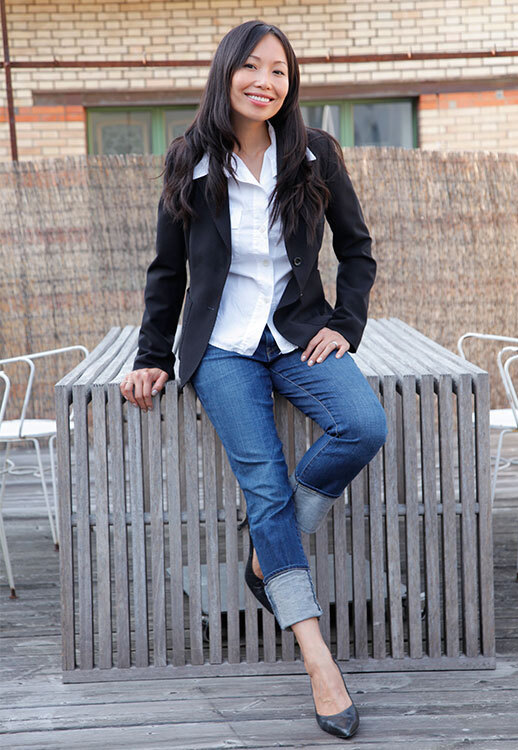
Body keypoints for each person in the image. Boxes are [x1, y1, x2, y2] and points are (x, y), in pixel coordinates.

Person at [120, 19, 387, 740]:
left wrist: (346, 323)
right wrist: (151, 355)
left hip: (298, 336)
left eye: (278, 71)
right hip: (223, 350)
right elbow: (167, 273)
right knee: (264, 487)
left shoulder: (314, 153)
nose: (264, 82)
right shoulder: (188, 159)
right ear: (226, 73)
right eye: (251, 67)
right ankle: (318, 658)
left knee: (364, 425)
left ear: (289, 84)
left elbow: (357, 250)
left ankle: (266, 557)